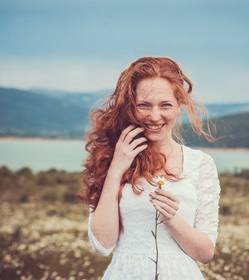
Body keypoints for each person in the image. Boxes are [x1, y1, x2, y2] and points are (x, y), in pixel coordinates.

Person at [78, 56, 220, 279]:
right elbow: (102, 246)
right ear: (130, 108)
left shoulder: (201, 164)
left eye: (165, 105)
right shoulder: (109, 158)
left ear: (179, 106)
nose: (155, 116)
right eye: (143, 105)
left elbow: (205, 253)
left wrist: (173, 220)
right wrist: (116, 168)